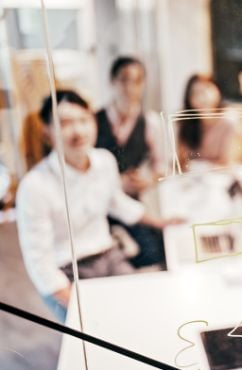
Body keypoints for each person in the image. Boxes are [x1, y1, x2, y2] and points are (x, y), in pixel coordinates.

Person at [16, 89, 178, 322]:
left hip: (108, 255)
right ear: (46, 132)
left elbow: (117, 203)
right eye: (65, 123)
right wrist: (80, 308)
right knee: (102, 332)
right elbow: (39, 263)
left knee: (146, 312)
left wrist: (161, 222)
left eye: (83, 120)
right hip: (67, 272)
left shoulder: (104, 161)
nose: (78, 130)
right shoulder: (34, 186)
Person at [96, 56, 166, 268]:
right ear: (112, 81)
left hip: (132, 203)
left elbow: (161, 166)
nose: (131, 88)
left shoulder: (150, 123)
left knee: (157, 249)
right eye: (124, 80)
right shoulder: (92, 121)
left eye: (137, 81)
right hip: (98, 205)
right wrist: (117, 183)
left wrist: (148, 180)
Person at [177, 74, 241, 170]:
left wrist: (201, 167)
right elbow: (181, 161)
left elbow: (228, 161)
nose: (202, 98)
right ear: (189, 100)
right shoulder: (185, 123)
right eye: (195, 93)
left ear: (216, 90)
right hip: (193, 180)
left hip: (222, 177)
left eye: (206, 90)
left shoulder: (229, 120)